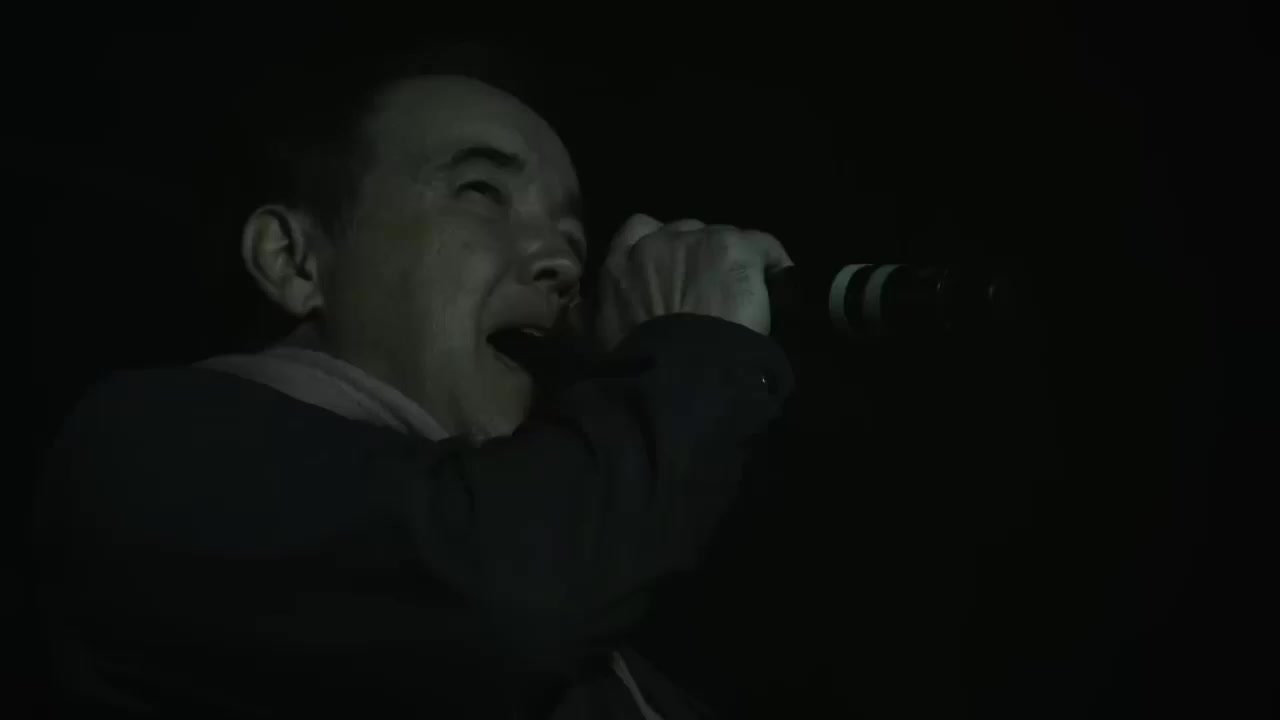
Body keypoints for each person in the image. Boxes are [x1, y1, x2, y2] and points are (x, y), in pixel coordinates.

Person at [30, 53, 795, 718]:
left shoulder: (617, 637)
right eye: (482, 192)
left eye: (573, 237)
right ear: (293, 261)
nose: (562, 263)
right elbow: (507, 593)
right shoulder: (144, 457)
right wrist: (694, 351)